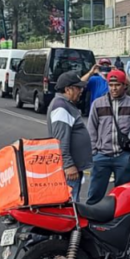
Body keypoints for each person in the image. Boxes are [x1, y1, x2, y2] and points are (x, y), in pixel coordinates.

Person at [86, 69, 130, 204]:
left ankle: (120, 222)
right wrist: (94, 152)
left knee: (123, 196)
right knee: (94, 194)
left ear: (124, 86)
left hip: (124, 157)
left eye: (117, 85)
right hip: (101, 156)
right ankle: (91, 220)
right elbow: (91, 129)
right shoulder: (98, 104)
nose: (114, 88)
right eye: (111, 85)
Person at [48, 71, 93, 202]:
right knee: (70, 206)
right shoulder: (61, 107)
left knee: (73, 204)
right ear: (68, 89)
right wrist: (68, 165)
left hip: (73, 168)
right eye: (78, 88)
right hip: (69, 171)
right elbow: (60, 140)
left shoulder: (66, 105)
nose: (81, 91)